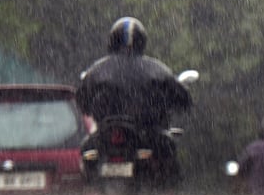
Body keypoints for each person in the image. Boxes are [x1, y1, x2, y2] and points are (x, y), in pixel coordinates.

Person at [76, 16, 192, 185]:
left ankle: (88, 185)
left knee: (86, 149)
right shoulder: (156, 69)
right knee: (169, 148)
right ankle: (169, 192)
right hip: (147, 132)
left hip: (108, 133)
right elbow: (182, 98)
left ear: (112, 41)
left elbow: (82, 100)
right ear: (142, 41)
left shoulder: (97, 70)